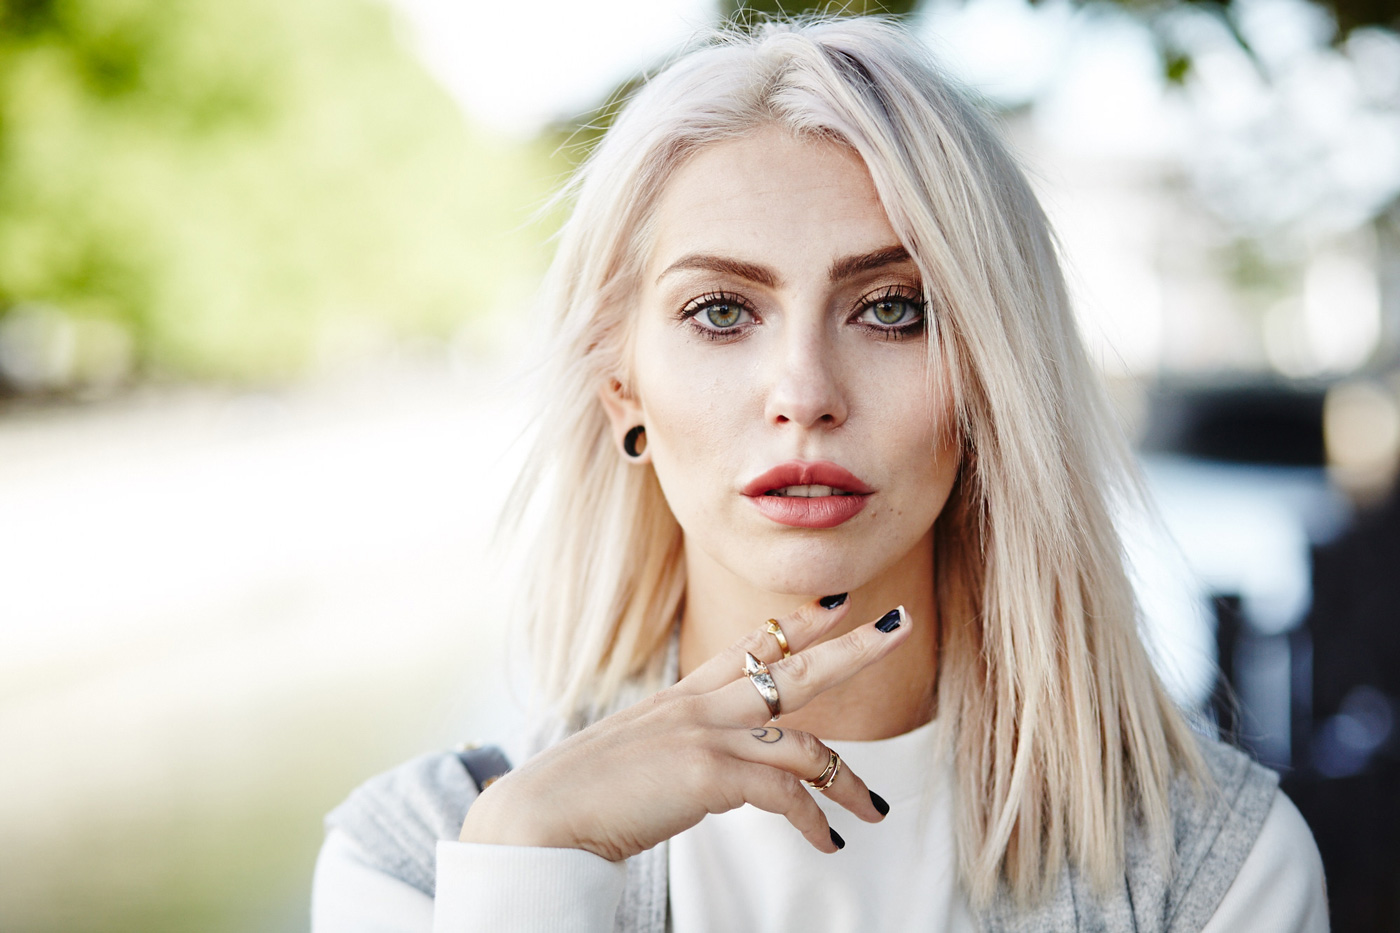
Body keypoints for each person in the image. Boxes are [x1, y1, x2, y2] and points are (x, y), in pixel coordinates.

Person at [312, 16, 1329, 932]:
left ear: (990, 376)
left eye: (891, 308)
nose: (802, 391)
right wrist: (524, 880)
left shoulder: (1214, 873)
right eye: (720, 311)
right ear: (621, 389)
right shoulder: (419, 864)